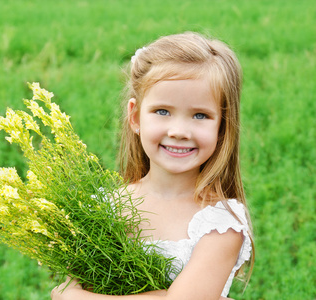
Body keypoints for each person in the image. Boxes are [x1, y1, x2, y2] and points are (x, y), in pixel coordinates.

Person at [51, 32, 254, 300]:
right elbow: (70, 282)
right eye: (162, 111)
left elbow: (68, 294)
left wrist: (71, 297)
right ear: (135, 117)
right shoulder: (103, 208)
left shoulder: (221, 224)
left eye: (200, 115)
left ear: (221, 128)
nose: (179, 131)